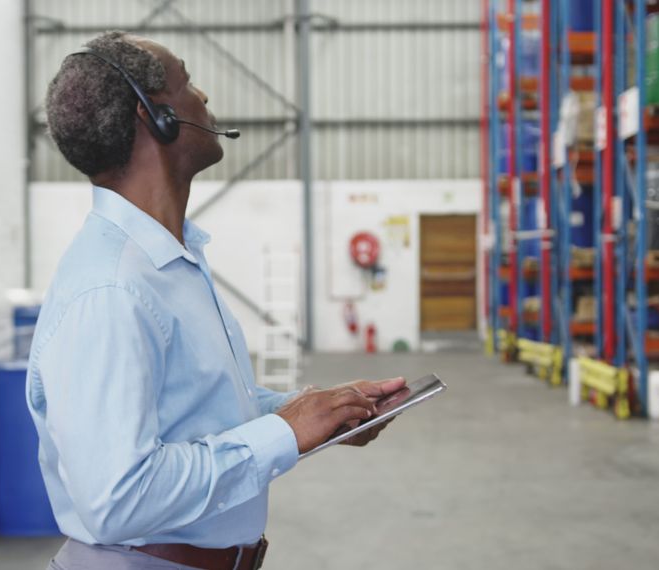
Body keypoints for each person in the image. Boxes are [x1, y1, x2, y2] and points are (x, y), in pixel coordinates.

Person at [27, 31, 405, 570]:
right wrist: (284, 433)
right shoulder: (111, 289)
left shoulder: (171, 263)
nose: (202, 95)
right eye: (186, 82)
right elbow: (118, 498)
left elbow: (191, 413)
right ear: (153, 116)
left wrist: (312, 412)